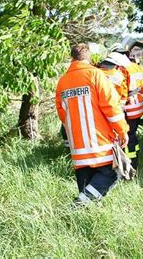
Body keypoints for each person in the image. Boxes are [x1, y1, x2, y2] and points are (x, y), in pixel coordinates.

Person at [55, 43, 129, 204]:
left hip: (78, 147)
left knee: (86, 188)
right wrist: (123, 131)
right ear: (88, 57)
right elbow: (111, 107)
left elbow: (62, 114)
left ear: (72, 58)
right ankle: (76, 206)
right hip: (99, 144)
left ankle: (79, 217)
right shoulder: (95, 75)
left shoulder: (62, 81)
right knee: (111, 175)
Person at [113, 45, 143, 170]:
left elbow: (122, 90)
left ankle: (130, 164)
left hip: (128, 108)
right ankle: (135, 156)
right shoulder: (136, 67)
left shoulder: (122, 68)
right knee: (133, 135)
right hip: (138, 107)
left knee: (127, 136)